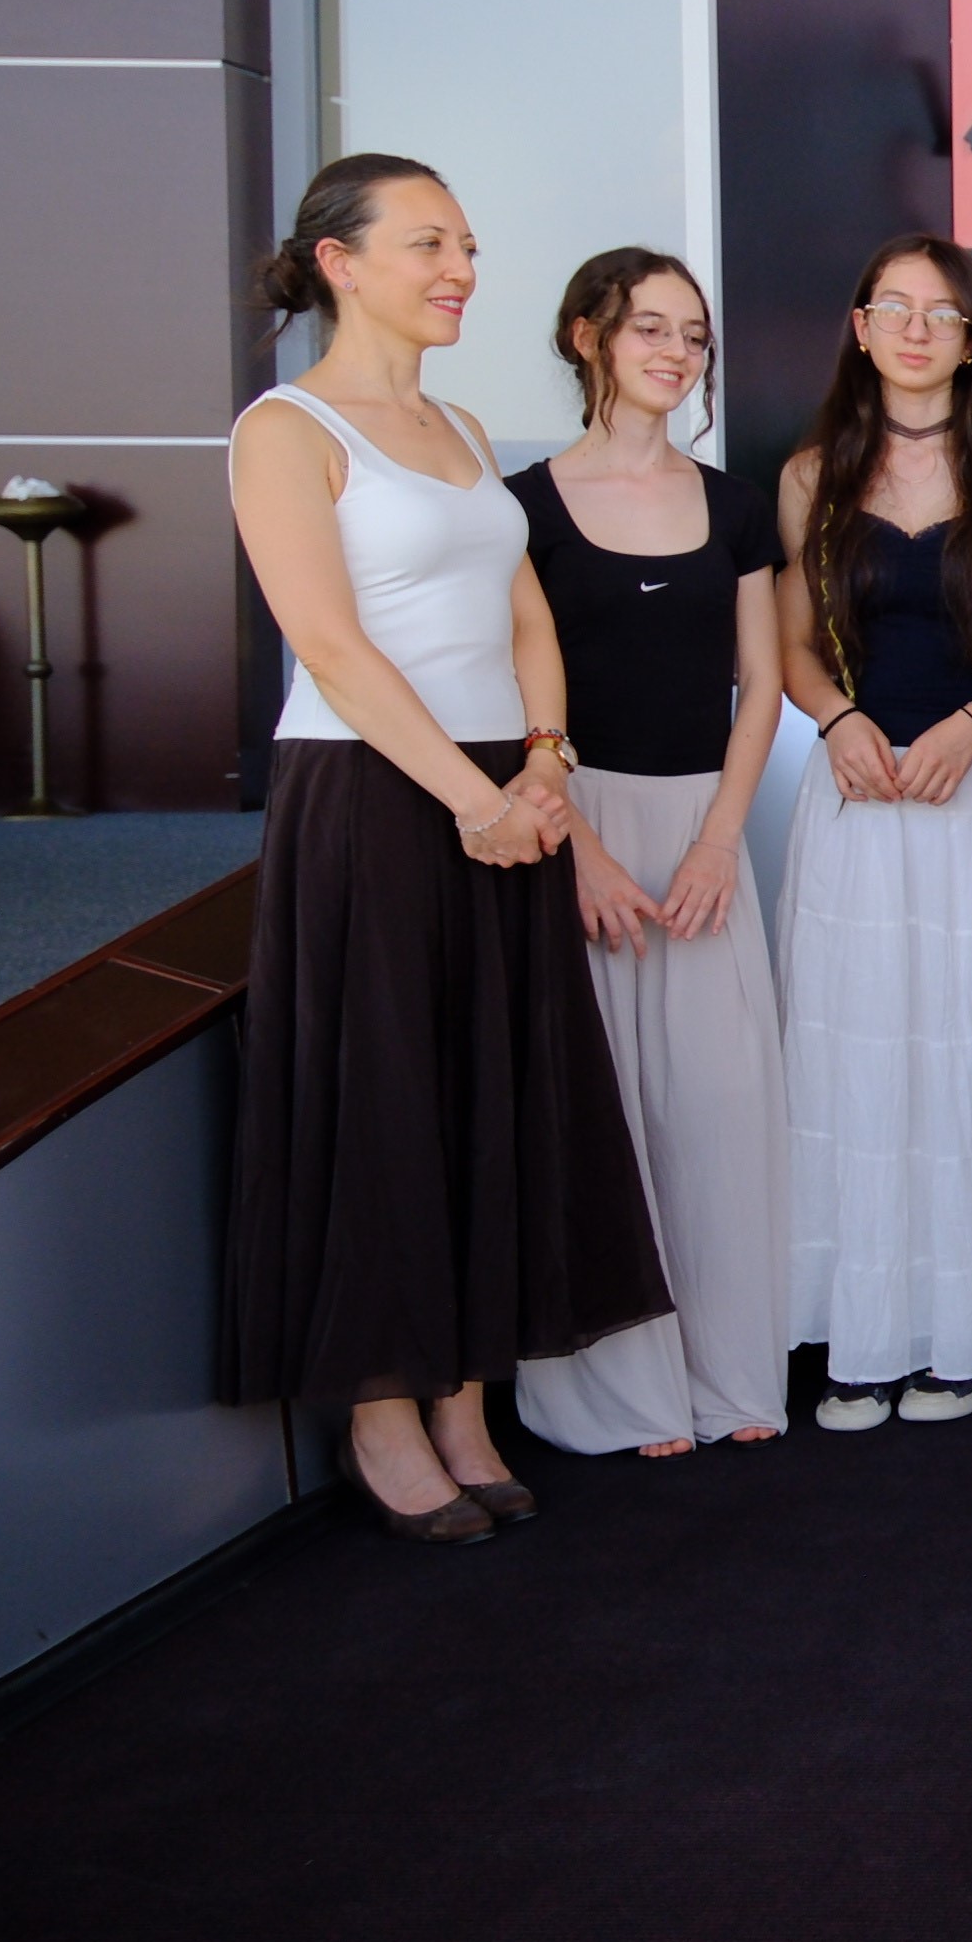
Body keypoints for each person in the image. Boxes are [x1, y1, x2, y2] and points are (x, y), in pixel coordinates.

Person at [223, 153, 669, 1544]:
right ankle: (381, 1408)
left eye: (466, 244)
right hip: (371, 791)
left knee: (490, 1094)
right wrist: (471, 799)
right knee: (386, 1103)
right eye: (429, 244)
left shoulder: (465, 426)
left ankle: (467, 1395)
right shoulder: (285, 429)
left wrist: (542, 763)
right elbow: (330, 645)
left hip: (502, 791)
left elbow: (525, 611)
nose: (461, 269)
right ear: (339, 262)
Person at [776, 235, 972, 1431]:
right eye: (895, 308)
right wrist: (836, 718)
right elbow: (793, 647)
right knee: (858, 1053)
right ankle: (863, 1338)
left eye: (943, 312)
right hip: (858, 802)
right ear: (861, 328)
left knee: (969, 1044)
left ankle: (956, 1335)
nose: (917, 329)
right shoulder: (810, 475)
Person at [507, 248, 794, 1457]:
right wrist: (576, 849)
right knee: (602, 1109)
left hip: (702, 827)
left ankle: (730, 1377)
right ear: (589, 337)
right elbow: (513, 699)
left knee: (720, 1110)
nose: (678, 352)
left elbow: (763, 684)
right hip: (572, 827)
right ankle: (620, 1395)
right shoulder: (520, 508)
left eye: (694, 334)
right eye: (651, 329)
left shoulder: (736, 505)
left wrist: (721, 841)